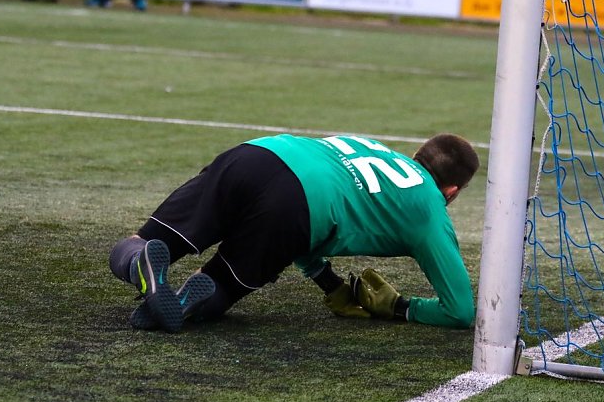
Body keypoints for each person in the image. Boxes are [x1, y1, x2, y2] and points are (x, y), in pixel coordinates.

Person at [108, 132, 479, 333]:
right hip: (298, 206)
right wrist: (398, 306)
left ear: (417, 155)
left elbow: (323, 181)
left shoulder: (375, 148)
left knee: (143, 241)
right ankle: (188, 301)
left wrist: (328, 282)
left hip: (258, 153)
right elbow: (460, 311)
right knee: (223, 283)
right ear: (452, 192)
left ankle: (141, 262)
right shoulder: (430, 212)